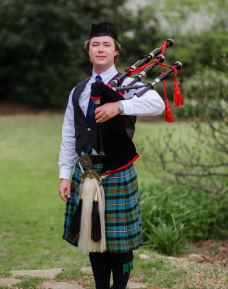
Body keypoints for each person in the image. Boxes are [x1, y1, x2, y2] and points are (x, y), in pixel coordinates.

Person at [58, 22, 165, 289]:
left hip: (118, 170)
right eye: (95, 44)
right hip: (86, 171)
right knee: (94, 237)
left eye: (107, 44)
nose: (101, 49)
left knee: (120, 241)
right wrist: (64, 175)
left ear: (115, 51)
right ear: (89, 51)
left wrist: (119, 105)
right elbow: (69, 134)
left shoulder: (129, 85)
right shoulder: (79, 90)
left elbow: (158, 104)